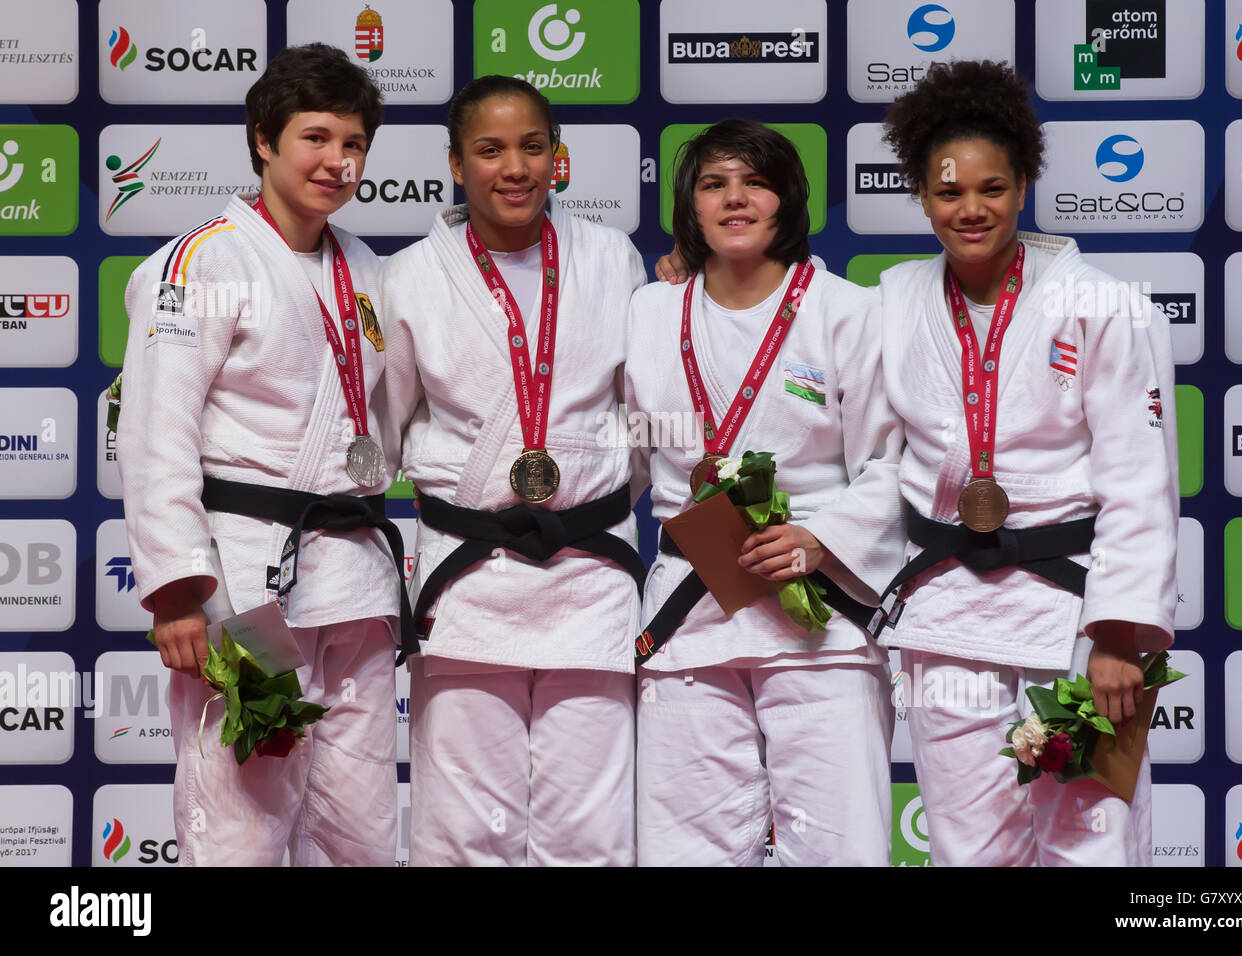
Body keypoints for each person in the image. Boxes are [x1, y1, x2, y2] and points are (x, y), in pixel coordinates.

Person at [874, 60, 1179, 865]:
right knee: (967, 846)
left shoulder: (1104, 304)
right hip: (947, 616)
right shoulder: (893, 298)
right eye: (948, 193)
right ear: (919, 191)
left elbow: (1141, 478)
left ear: (1023, 184)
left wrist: (1119, 633)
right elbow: (788, 321)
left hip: (1071, 618)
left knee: (1090, 842)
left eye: (992, 188)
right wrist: (686, 271)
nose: (970, 209)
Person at [117, 43, 407, 866]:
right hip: (249, 588)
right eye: (315, 137)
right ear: (263, 140)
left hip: (353, 580)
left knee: (358, 832)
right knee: (240, 823)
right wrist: (177, 592)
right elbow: (153, 431)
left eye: (353, 144)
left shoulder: (367, 268)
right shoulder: (200, 262)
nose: (337, 161)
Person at [379, 75, 647, 866]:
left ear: (558, 158)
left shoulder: (609, 257)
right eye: (490, 150)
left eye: (533, 147)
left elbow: (637, 418)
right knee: (462, 829)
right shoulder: (412, 276)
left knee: (591, 826)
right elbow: (388, 424)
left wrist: (585, 495)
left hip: (591, 575)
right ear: (456, 165)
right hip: (468, 582)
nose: (515, 168)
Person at [627, 119, 904, 866]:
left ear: (788, 198)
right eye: (714, 184)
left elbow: (890, 462)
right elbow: (624, 449)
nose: (735, 199)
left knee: (841, 845)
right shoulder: (649, 312)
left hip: (817, 616)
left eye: (755, 181)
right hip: (691, 612)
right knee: (684, 848)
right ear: (690, 205)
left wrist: (821, 538)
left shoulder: (849, 310)